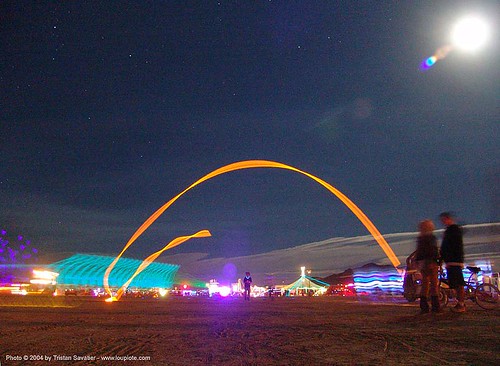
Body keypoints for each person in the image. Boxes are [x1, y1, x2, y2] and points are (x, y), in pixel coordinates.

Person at [439, 212, 466, 312]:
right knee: (456, 283)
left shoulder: (452, 230)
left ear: (448, 219)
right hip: (453, 261)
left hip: (453, 261)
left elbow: (449, 246)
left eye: (443, 219)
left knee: (458, 283)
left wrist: (443, 256)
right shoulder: (452, 230)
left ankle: (461, 304)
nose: (443, 222)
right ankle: (460, 303)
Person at [415, 219, 441, 314]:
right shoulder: (431, 237)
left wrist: (418, 262)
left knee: (425, 284)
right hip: (431, 262)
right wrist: (437, 261)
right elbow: (434, 250)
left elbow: (419, 252)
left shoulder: (420, 238)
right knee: (434, 284)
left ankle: (424, 306)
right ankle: (435, 306)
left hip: (423, 263)